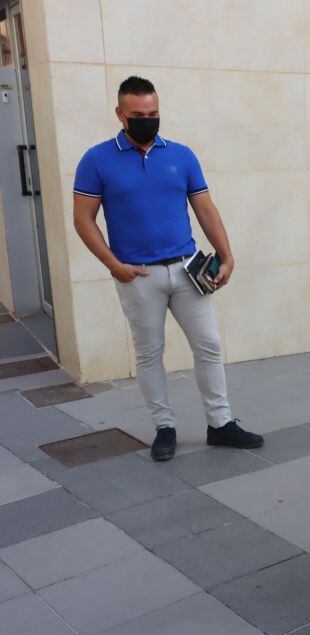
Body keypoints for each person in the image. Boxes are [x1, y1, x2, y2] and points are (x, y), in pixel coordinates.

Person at [72, 76, 263, 462]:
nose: (148, 119)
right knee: (149, 353)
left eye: (154, 113)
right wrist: (114, 265)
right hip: (138, 275)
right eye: (139, 114)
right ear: (120, 114)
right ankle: (164, 427)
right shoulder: (96, 160)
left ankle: (220, 424)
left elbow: (205, 209)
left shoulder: (181, 155)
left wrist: (227, 255)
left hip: (188, 270)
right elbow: (83, 219)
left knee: (208, 345)